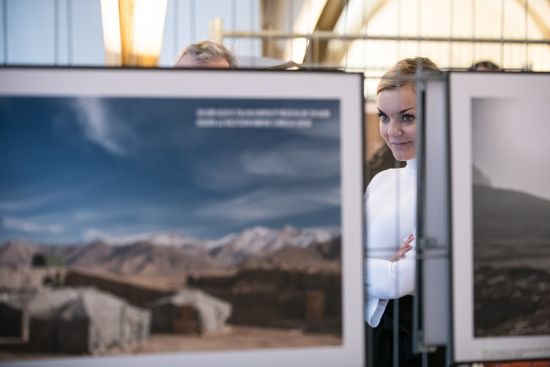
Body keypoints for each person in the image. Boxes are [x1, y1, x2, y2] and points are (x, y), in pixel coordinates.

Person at [364, 57, 441, 366]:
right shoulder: (382, 180)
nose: (392, 130)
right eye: (384, 116)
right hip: (372, 334)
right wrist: (376, 264)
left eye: (407, 118)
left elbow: (398, 281)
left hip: (416, 345)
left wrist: (350, 262)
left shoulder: (446, 188)